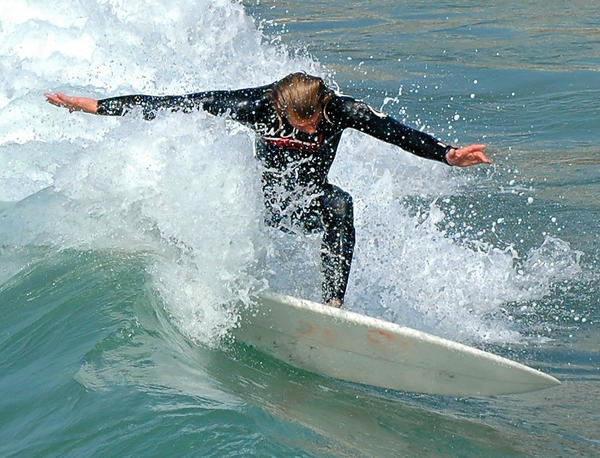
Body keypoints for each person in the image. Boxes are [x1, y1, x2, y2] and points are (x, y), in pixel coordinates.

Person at [45, 72, 490, 307]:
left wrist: (447, 154)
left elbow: (394, 131)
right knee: (220, 198)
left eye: (317, 119)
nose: (314, 127)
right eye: (304, 123)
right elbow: (171, 106)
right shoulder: (254, 106)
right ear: (281, 109)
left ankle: (332, 304)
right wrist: (94, 106)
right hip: (262, 204)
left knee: (340, 204)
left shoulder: (339, 110)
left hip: (307, 202)